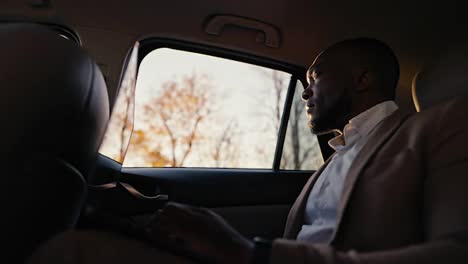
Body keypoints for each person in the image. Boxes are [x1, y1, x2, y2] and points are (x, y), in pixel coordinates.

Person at [29, 38, 468, 264]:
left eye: (315, 77)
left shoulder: (439, 127)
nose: (305, 93)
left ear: (363, 78)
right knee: (83, 244)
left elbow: (455, 253)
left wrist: (252, 254)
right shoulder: (336, 156)